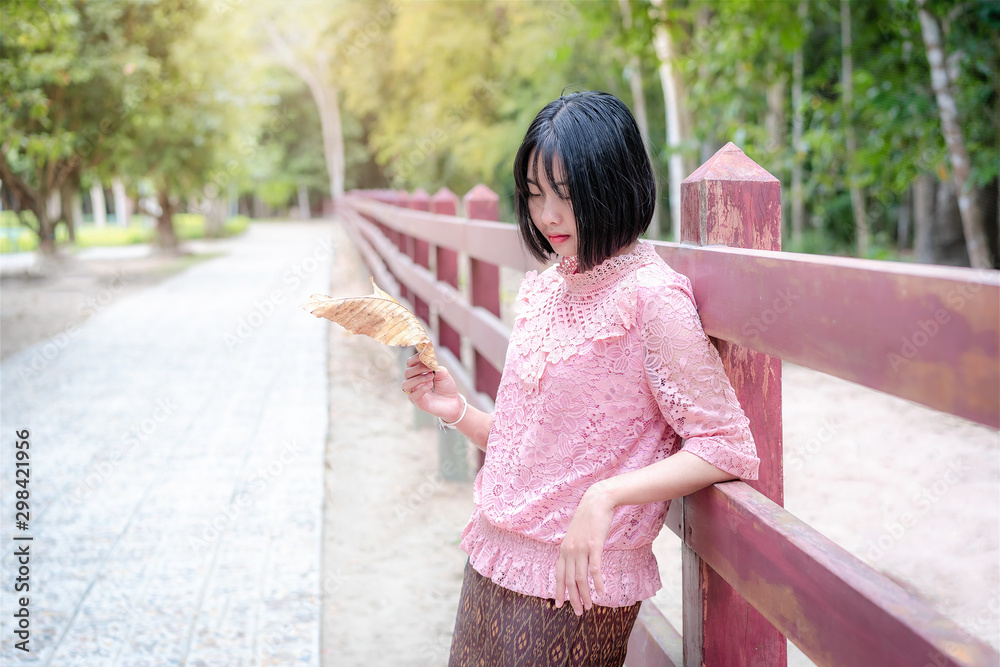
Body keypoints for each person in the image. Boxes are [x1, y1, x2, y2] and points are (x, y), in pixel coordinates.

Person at [401, 90, 760, 667]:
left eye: (566, 194)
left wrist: (607, 495)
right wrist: (458, 413)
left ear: (612, 183)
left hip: (576, 584)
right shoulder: (547, 286)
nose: (547, 216)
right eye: (536, 195)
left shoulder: (652, 298)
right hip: (491, 558)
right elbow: (534, 451)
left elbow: (727, 446)